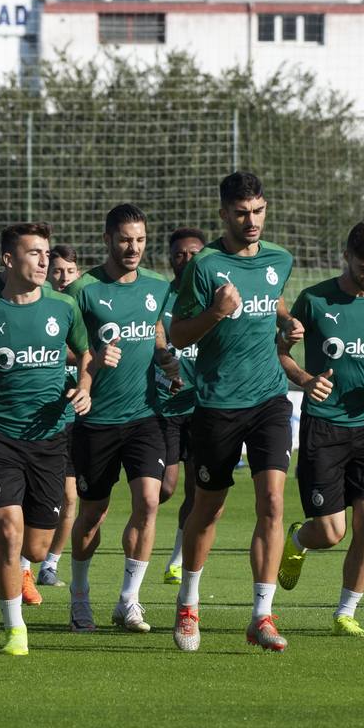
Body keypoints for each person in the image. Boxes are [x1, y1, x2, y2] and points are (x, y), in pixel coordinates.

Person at [0, 223, 92, 655]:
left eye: (47, 253)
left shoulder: (64, 307)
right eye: (35, 253)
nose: (45, 261)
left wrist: (84, 386)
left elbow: (86, 353)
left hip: (49, 438)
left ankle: (27, 570)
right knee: (7, 530)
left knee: (37, 543)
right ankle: (14, 629)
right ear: (10, 260)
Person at [169, 171, 298, 653]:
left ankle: (261, 616)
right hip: (217, 403)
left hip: (268, 398)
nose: (252, 221)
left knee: (273, 502)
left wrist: (286, 322)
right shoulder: (204, 266)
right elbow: (179, 334)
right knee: (209, 507)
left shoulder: (280, 260)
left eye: (259, 211)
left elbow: (273, 298)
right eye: (241, 213)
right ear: (224, 213)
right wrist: (217, 313)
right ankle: (187, 603)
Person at [273, 220, 364, 640]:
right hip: (324, 427)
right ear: (347, 256)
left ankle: (346, 612)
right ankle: (298, 540)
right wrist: (305, 380)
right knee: (331, 531)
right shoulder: (313, 301)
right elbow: (281, 354)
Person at [63, 204, 176, 635]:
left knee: (149, 502)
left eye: (141, 240)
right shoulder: (84, 289)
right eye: (126, 239)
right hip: (96, 419)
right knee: (93, 515)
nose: (134, 248)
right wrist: (90, 357)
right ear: (108, 238)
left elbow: (156, 330)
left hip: (145, 415)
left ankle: (129, 601)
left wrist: (167, 361)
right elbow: (61, 345)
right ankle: (78, 596)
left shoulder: (156, 287)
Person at [158, 228, 204, 585]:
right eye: (179, 254)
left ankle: (177, 560)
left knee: (196, 490)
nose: (186, 260)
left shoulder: (216, 295)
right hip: (166, 405)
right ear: (170, 258)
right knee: (165, 488)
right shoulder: (161, 295)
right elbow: (154, 337)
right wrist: (164, 366)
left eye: (193, 254)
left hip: (204, 406)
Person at [37, 244, 83, 587]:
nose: (63, 277)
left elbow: (92, 352)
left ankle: (49, 563)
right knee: (37, 495)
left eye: (69, 271)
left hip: (75, 417)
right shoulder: (40, 309)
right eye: (57, 271)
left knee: (70, 497)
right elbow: (83, 352)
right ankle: (22, 561)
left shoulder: (85, 308)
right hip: (42, 416)